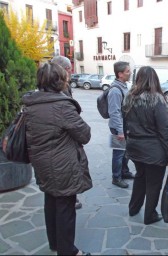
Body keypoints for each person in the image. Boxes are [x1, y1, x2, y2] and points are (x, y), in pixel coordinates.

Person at [22, 62, 92, 255]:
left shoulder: (30, 103)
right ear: (58, 81)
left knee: (51, 201)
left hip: (41, 161)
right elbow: (85, 134)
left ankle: (55, 243)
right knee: (65, 206)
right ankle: (68, 250)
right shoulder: (61, 106)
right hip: (62, 164)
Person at [122, 66, 168, 225]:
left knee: (140, 177)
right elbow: (165, 129)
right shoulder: (156, 99)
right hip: (153, 150)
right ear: (154, 79)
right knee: (153, 183)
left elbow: (126, 124)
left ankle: (134, 208)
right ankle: (150, 214)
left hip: (135, 147)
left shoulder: (129, 98)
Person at [51, 55, 82, 210]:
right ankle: (70, 198)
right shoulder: (61, 91)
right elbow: (81, 131)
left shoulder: (42, 91)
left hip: (49, 145)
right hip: (62, 140)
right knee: (67, 170)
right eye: (69, 69)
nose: (71, 72)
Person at [109, 61, 135, 189]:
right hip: (118, 126)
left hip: (125, 124)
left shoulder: (124, 86)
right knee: (118, 153)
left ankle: (124, 172)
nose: (130, 73)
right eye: (127, 71)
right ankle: (116, 177)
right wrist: (120, 131)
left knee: (125, 151)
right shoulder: (115, 90)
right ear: (120, 74)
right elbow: (114, 112)